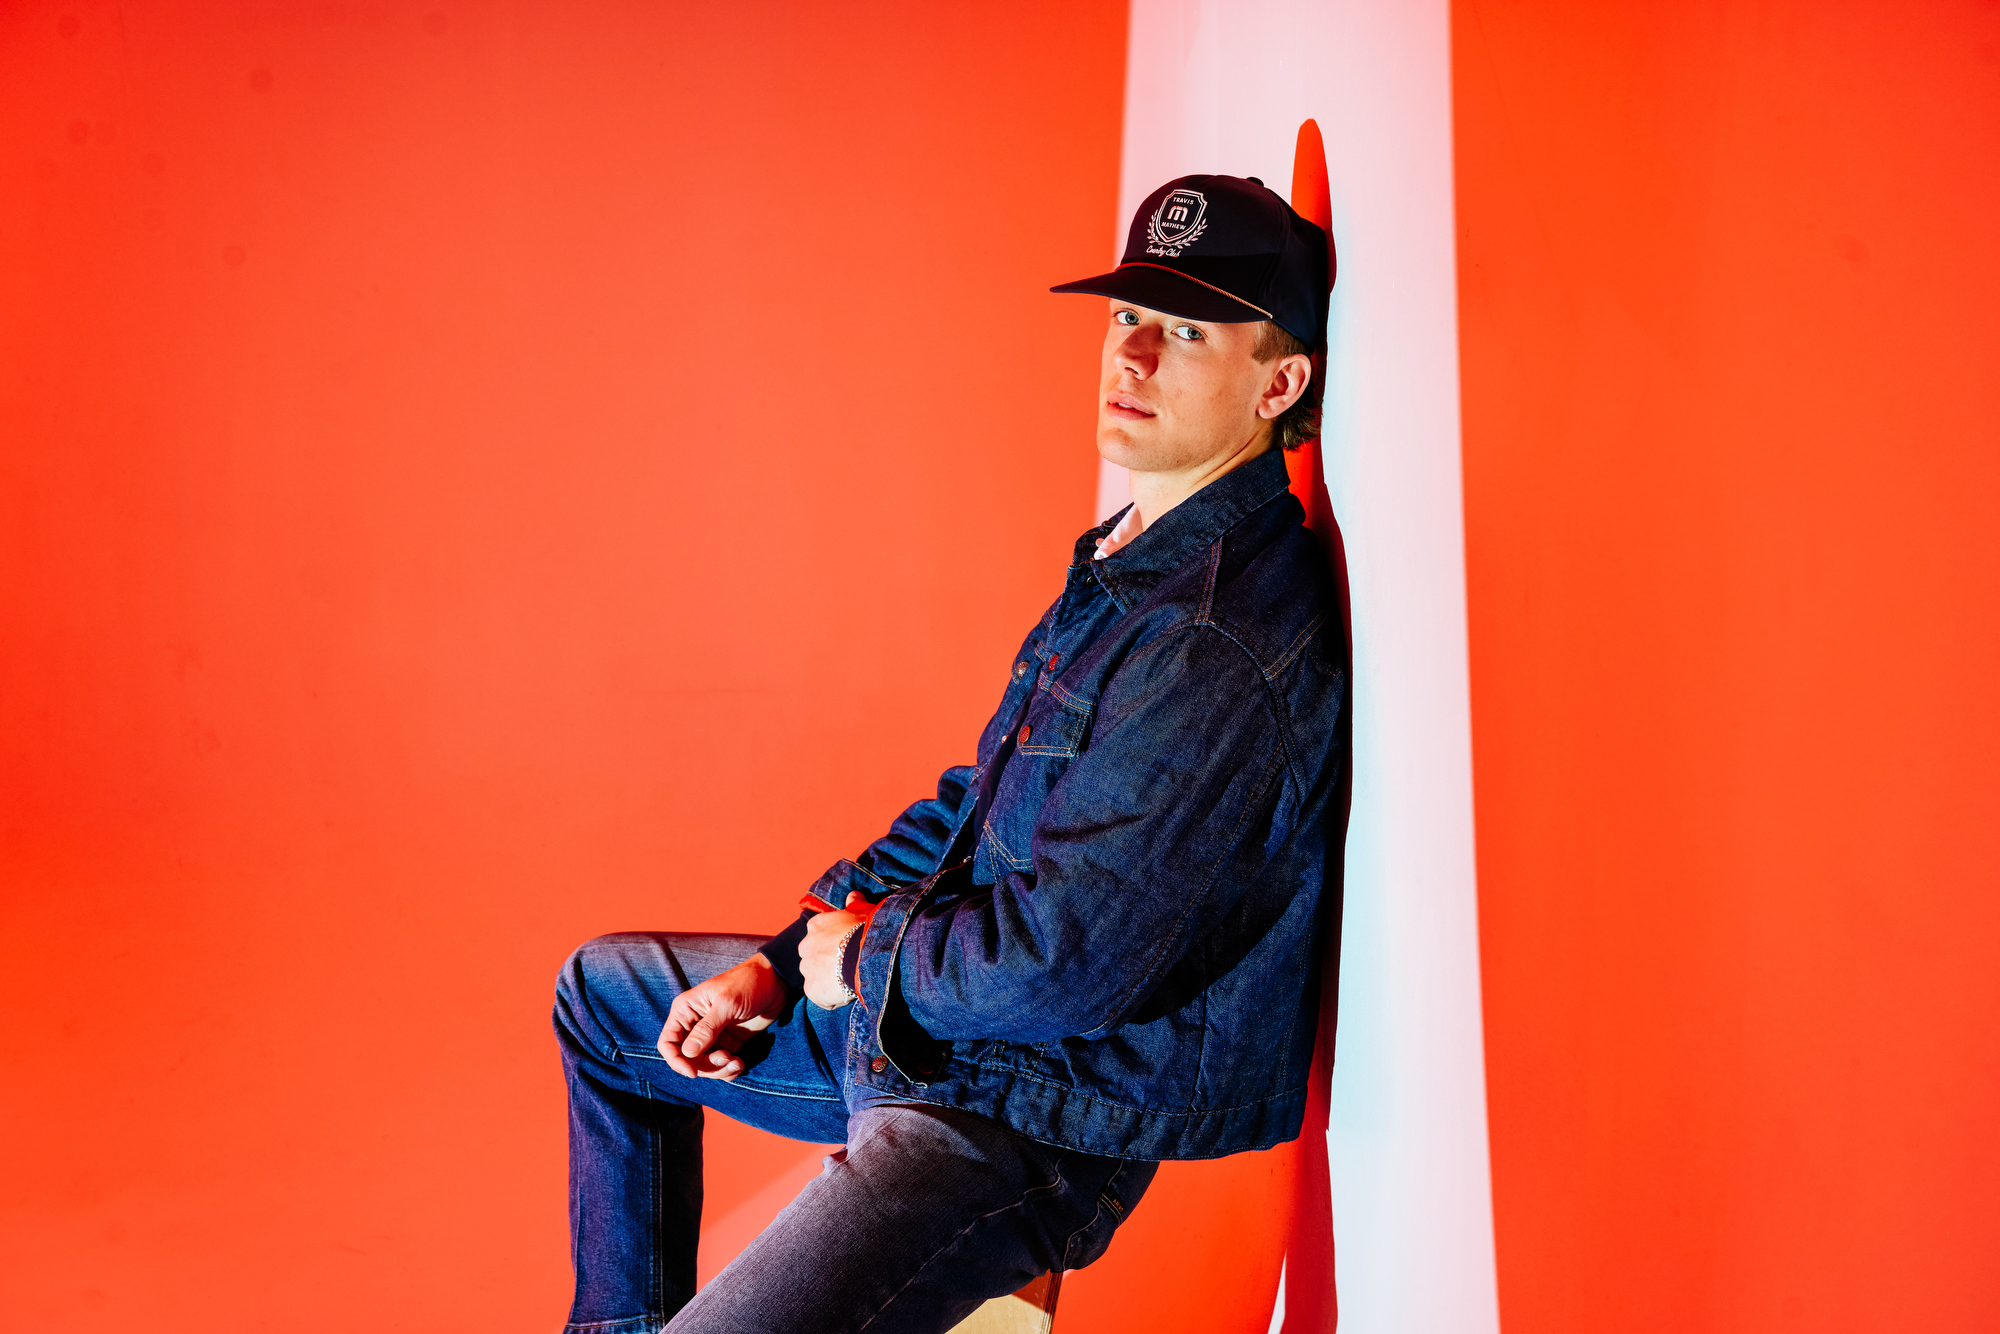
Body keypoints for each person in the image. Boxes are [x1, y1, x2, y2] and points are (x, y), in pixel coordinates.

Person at [552, 174, 1346, 1334]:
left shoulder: (1210, 640)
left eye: (1185, 333)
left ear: (1278, 384)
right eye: (1127, 315)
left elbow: (1066, 964)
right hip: (940, 1031)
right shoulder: (1135, 558)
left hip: (1026, 1119)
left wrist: (863, 956)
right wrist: (779, 963)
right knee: (601, 998)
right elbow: (976, 807)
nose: (1130, 356)